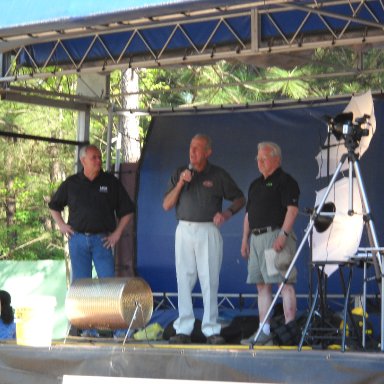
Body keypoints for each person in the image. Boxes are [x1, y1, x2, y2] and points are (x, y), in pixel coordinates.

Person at [163, 133, 245, 345]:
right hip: (184, 229)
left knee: (209, 280)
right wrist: (181, 181)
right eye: (191, 147)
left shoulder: (217, 174)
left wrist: (226, 214)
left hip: (208, 229)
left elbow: (239, 198)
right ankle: (184, 328)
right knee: (184, 279)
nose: (192, 152)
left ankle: (211, 329)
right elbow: (167, 204)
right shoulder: (180, 173)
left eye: (198, 148)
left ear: (208, 152)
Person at [49, 144, 135, 337]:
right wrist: (62, 225)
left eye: (99, 157)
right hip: (77, 239)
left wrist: (117, 233)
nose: (98, 161)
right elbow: (54, 205)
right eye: (94, 158)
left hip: (102, 240)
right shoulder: (72, 183)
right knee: (80, 285)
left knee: (108, 283)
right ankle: (85, 327)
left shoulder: (110, 182)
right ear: (83, 161)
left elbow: (127, 210)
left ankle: (116, 329)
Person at [240, 142, 300, 346]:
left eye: (263, 158)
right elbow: (248, 215)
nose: (259, 162)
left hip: (275, 236)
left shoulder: (285, 181)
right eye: (257, 158)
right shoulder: (255, 184)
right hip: (256, 239)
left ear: (276, 159)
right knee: (261, 285)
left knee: (284, 283)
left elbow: (292, 210)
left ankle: (291, 329)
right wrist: (244, 239)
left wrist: (283, 235)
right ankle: (263, 330)